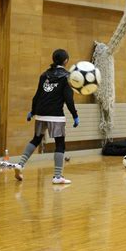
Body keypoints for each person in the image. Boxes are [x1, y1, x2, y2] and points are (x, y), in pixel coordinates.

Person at [14, 49, 79, 184]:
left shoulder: (44, 74)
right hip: (56, 116)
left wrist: (32, 111)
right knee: (60, 144)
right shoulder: (67, 76)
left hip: (41, 114)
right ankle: (57, 177)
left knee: (36, 139)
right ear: (66, 61)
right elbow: (69, 99)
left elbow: (37, 95)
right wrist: (75, 115)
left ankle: (20, 164)